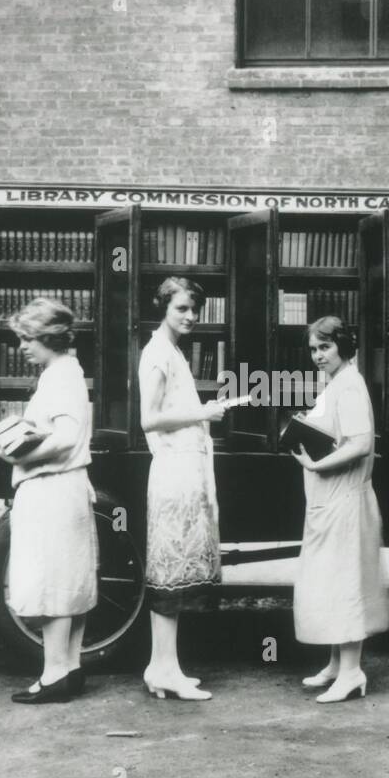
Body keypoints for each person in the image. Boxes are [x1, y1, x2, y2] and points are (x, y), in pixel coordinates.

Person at [0, 298, 98, 705]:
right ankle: (69, 667)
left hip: (53, 486)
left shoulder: (61, 377)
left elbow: (67, 437)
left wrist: (15, 454)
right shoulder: (62, 373)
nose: (22, 346)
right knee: (67, 579)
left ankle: (54, 674)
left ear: (49, 338)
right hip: (61, 486)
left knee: (54, 582)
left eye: (28, 338)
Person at [138, 277, 234, 700]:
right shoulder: (158, 352)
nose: (191, 316)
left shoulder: (171, 349)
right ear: (164, 307)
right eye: (182, 309)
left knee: (175, 576)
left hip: (185, 471)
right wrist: (204, 412)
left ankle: (164, 667)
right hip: (174, 474)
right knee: (170, 577)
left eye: (195, 309)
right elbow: (149, 418)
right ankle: (163, 670)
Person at [289, 316, 389, 704]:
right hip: (330, 502)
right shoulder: (335, 384)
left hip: (345, 502)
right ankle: (336, 664)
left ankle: (351, 672)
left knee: (345, 583)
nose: (318, 355)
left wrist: (316, 465)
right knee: (332, 581)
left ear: (343, 347)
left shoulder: (349, 385)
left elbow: (360, 443)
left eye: (325, 347)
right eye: (313, 349)